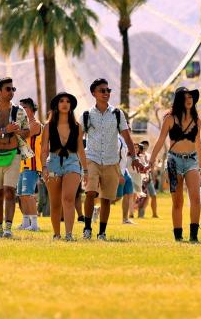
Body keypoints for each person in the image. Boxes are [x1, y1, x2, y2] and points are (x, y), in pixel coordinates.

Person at [0, 78, 34, 238]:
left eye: (13, 89)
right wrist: (4, 130)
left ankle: (8, 228)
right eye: (8, 89)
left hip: (14, 155)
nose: (11, 92)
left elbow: (27, 132)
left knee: (10, 192)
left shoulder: (19, 111)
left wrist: (17, 131)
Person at [82, 78, 136, 241]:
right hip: (92, 158)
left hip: (112, 161)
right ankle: (87, 228)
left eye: (108, 90)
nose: (106, 93)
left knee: (106, 198)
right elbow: (78, 139)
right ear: (94, 93)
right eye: (102, 90)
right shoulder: (86, 115)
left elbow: (127, 137)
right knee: (90, 192)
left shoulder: (117, 114)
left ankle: (102, 232)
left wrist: (134, 157)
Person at [149, 86, 201, 242]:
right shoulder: (170, 118)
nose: (189, 100)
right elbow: (160, 141)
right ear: (179, 100)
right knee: (178, 201)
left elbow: (197, 143)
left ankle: (194, 235)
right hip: (174, 161)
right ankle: (178, 236)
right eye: (186, 98)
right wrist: (152, 161)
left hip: (192, 160)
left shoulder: (197, 120)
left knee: (195, 198)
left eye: (191, 98)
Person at [40, 92, 86, 240]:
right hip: (53, 163)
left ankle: (69, 235)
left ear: (71, 106)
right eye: (61, 101)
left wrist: (85, 170)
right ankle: (57, 234)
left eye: (67, 101)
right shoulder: (48, 126)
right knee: (55, 203)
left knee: (68, 198)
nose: (65, 103)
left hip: (72, 163)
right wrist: (44, 168)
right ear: (56, 105)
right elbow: (44, 150)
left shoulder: (77, 126)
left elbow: (80, 149)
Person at [17, 97, 44, 231]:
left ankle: (34, 224)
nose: (20, 110)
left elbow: (22, 136)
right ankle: (25, 222)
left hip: (32, 163)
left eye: (24, 108)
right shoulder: (24, 123)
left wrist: (11, 129)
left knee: (28, 194)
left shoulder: (35, 124)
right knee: (22, 196)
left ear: (32, 109)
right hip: (22, 165)